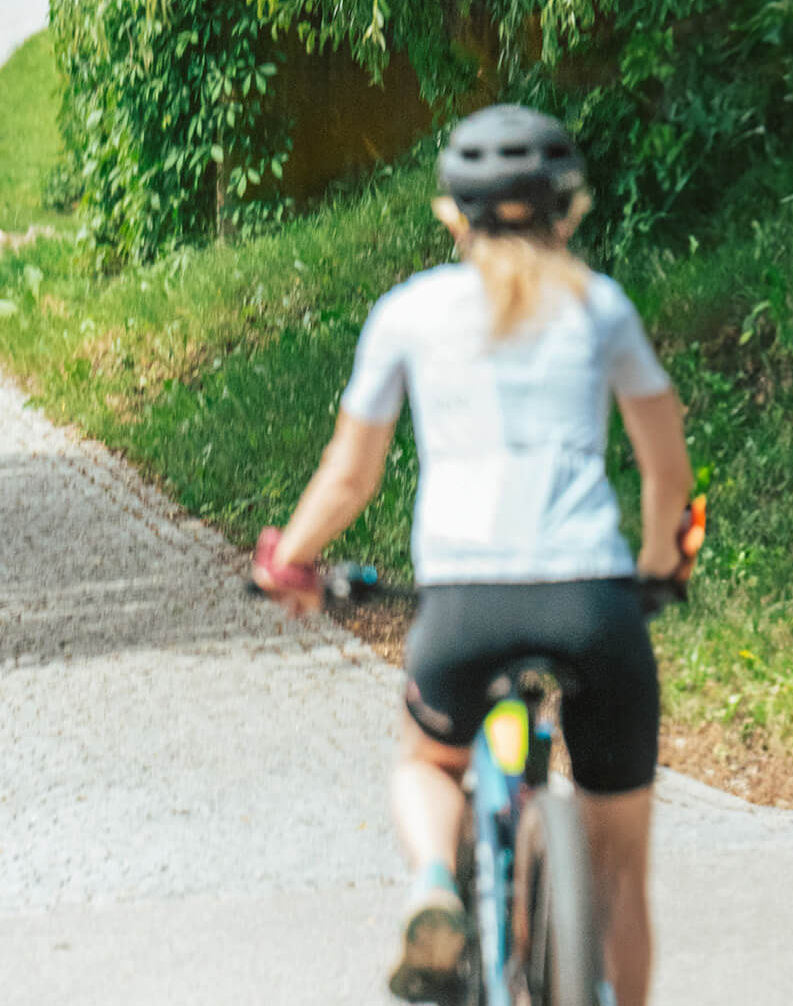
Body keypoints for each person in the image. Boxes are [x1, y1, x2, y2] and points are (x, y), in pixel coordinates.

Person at [251, 105, 694, 1006]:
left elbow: (350, 474)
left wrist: (291, 560)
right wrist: (657, 569)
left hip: (463, 608)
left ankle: (434, 889)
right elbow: (666, 468)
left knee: (426, 760)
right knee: (620, 878)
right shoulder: (602, 308)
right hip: (594, 605)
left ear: (452, 213)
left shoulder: (409, 312)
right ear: (568, 212)